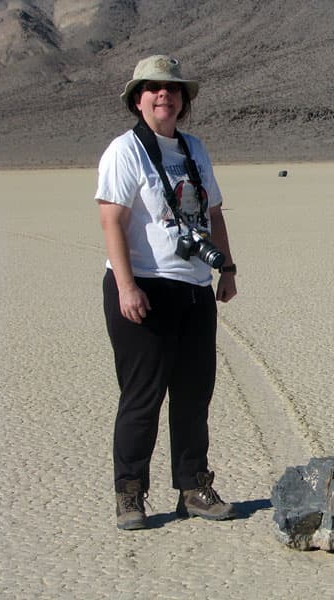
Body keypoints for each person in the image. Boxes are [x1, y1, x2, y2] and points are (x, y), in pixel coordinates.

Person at [96, 55, 239, 530]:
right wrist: (126, 285)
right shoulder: (126, 150)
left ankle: (193, 486)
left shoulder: (194, 148)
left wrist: (227, 268)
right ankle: (130, 493)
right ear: (138, 100)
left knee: (195, 393)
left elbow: (213, 213)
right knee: (142, 396)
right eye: (153, 88)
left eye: (173, 89)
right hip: (145, 285)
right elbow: (111, 218)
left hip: (195, 287)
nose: (165, 95)